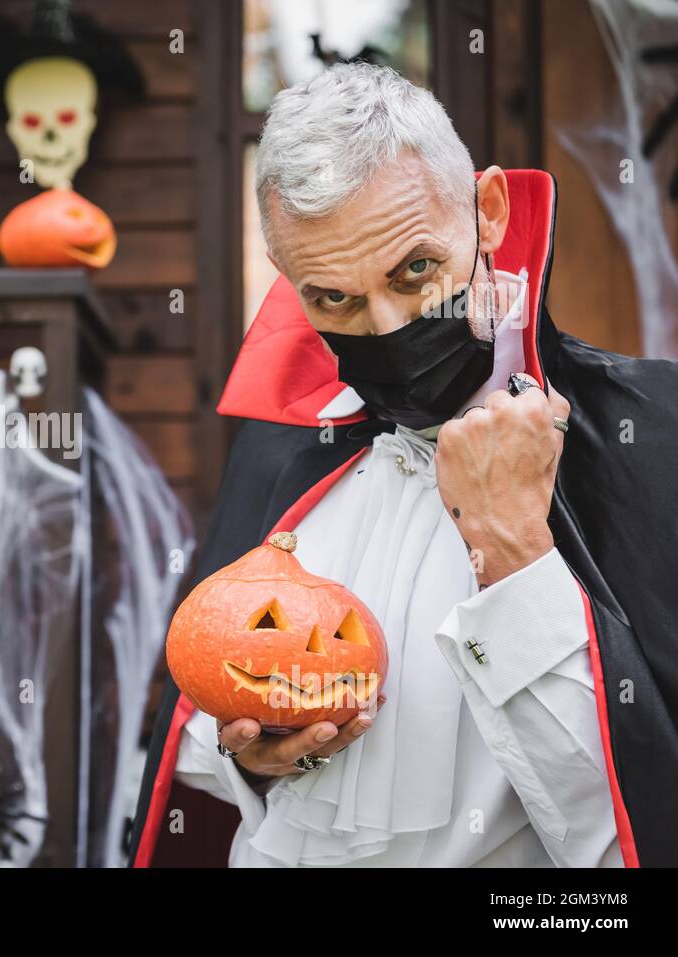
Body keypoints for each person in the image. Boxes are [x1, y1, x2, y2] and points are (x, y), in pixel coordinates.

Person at [129, 61, 678, 868]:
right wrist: (258, 756)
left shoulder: (652, 431)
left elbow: (629, 830)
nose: (385, 329)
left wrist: (515, 547)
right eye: (333, 298)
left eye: (415, 270)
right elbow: (201, 744)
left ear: (487, 213)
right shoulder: (278, 446)